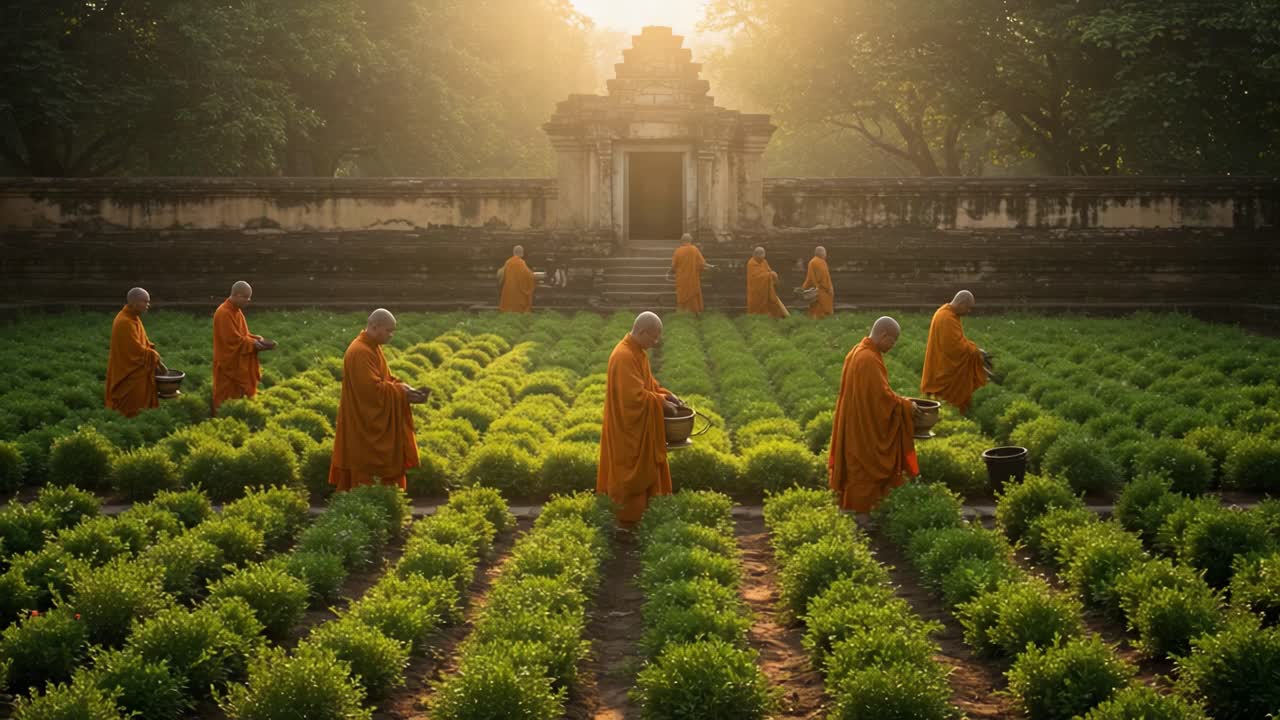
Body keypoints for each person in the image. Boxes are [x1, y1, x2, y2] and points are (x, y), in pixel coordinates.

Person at [328, 309, 429, 493]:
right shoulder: (360, 351)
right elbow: (371, 392)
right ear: (374, 327)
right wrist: (400, 392)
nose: (391, 335)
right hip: (363, 427)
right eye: (388, 330)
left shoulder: (373, 348)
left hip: (370, 423)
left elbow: (386, 380)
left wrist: (406, 390)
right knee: (366, 480)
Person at [828, 316, 922, 513]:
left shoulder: (857, 351)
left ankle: (856, 511)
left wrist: (901, 402)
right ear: (884, 335)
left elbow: (875, 394)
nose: (893, 346)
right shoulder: (868, 359)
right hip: (864, 430)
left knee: (857, 470)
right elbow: (881, 397)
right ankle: (863, 514)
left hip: (856, 423)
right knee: (866, 470)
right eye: (893, 341)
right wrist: (906, 406)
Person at [597, 311, 680, 524]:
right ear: (642, 332)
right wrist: (661, 404)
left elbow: (648, 385)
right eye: (654, 337)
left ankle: (647, 521)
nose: (655, 342)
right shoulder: (623, 356)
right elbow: (633, 398)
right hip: (627, 432)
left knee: (649, 474)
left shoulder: (638, 353)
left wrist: (666, 395)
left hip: (639, 428)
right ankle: (626, 525)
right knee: (628, 479)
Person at [920, 290, 989, 413]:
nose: (968, 312)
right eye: (968, 308)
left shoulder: (947, 313)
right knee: (946, 407)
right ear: (961, 303)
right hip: (943, 372)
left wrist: (973, 349)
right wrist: (976, 351)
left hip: (941, 364)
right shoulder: (946, 317)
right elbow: (955, 348)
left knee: (944, 408)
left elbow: (957, 340)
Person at [212, 281, 276, 413]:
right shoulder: (223, 313)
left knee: (241, 404)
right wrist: (255, 344)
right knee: (226, 404)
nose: (248, 301)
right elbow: (233, 341)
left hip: (239, 364)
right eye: (246, 297)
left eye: (249, 297)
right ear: (237, 295)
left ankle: (242, 415)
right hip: (228, 365)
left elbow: (244, 335)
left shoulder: (237, 312)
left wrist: (258, 339)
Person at [105, 287, 165, 418]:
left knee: (141, 411)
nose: (148, 305)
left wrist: (152, 352)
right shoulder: (124, 322)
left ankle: (138, 421)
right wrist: (153, 356)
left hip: (137, 369)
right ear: (134, 302)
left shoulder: (134, 318)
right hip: (127, 372)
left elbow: (144, 342)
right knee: (130, 411)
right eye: (145, 301)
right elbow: (135, 351)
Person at [669, 233, 710, 313]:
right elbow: (702, 263)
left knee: (683, 296)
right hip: (693, 279)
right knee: (693, 295)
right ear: (690, 240)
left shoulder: (678, 251)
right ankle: (694, 312)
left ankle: (683, 312)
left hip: (682, 279)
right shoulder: (695, 250)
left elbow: (673, 266)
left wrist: (670, 271)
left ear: (682, 241)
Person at [746, 246, 787, 317]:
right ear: (755, 254)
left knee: (772, 302)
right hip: (756, 290)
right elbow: (756, 277)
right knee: (756, 306)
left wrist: (773, 275)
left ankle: (772, 318)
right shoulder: (751, 263)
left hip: (766, 289)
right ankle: (756, 319)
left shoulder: (764, 261)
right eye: (761, 254)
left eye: (764, 254)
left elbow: (768, 270)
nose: (763, 256)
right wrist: (770, 274)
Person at [498, 245, 535, 313]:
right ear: (522, 253)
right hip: (518, 289)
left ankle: (508, 312)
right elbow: (528, 274)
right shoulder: (521, 262)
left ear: (513, 252)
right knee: (519, 302)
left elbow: (501, 273)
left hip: (508, 289)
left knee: (508, 305)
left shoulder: (508, 262)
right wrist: (532, 274)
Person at [801, 246, 834, 318]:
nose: (826, 254)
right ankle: (822, 318)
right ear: (821, 253)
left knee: (814, 306)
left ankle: (813, 318)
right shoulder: (821, 262)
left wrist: (804, 287)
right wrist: (829, 288)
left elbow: (809, 277)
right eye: (825, 252)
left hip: (814, 289)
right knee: (823, 307)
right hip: (822, 289)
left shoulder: (811, 262)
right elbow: (823, 277)